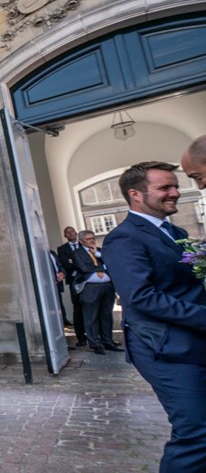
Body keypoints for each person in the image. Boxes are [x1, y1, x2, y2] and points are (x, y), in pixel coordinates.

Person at [103, 161, 206, 472]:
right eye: (165, 188)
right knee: (197, 434)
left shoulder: (179, 232)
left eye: (175, 185)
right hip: (164, 348)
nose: (175, 192)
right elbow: (141, 297)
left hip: (194, 340)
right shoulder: (124, 238)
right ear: (136, 194)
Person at [72, 230, 120, 355]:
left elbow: (113, 264)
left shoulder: (100, 251)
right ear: (81, 241)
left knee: (106, 315)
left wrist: (98, 255)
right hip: (90, 288)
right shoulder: (77, 253)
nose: (92, 240)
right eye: (88, 239)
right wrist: (102, 267)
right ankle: (95, 343)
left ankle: (108, 341)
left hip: (107, 287)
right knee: (91, 316)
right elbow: (84, 268)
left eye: (93, 238)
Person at [56, 226, 88, 347]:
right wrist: (80, 264)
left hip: (88, 280)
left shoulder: (83, 245)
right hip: (74, 281)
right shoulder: (62, 249)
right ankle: (81, 337)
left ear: (76, 233)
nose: (70, 234)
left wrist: (73, 262)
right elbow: (65, 265)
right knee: (78, 308)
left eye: (72, 232)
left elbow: (89, 262)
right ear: (65, 235)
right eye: (67, 233)